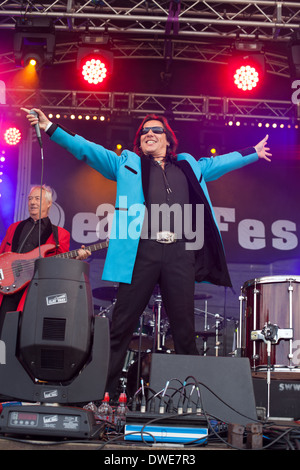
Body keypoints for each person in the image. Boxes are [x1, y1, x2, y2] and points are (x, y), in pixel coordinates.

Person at [22, 108, 272, 399]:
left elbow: (217, 162)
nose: (149, 134)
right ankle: (101, 396)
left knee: (184, 331)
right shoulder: (127, 163)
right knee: (121, 327)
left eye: (156, 130)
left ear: (168, 139)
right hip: (141, 251)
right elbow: (86, 150)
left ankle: (188, 401)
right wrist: (51, 127)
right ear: (139, 142)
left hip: (180, 252)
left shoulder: (188, 165)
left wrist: (252, 152)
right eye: (144, 131)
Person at [0, 184, 90, 338]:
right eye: (30, 199)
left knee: (22, 335)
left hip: (33, 291)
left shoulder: (60, 235)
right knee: (2, 330)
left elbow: (61, 266)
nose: (32, 202)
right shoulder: (14, 228)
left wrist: (76, 258)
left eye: (37, 198)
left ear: (49, 204)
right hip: (7, 287)